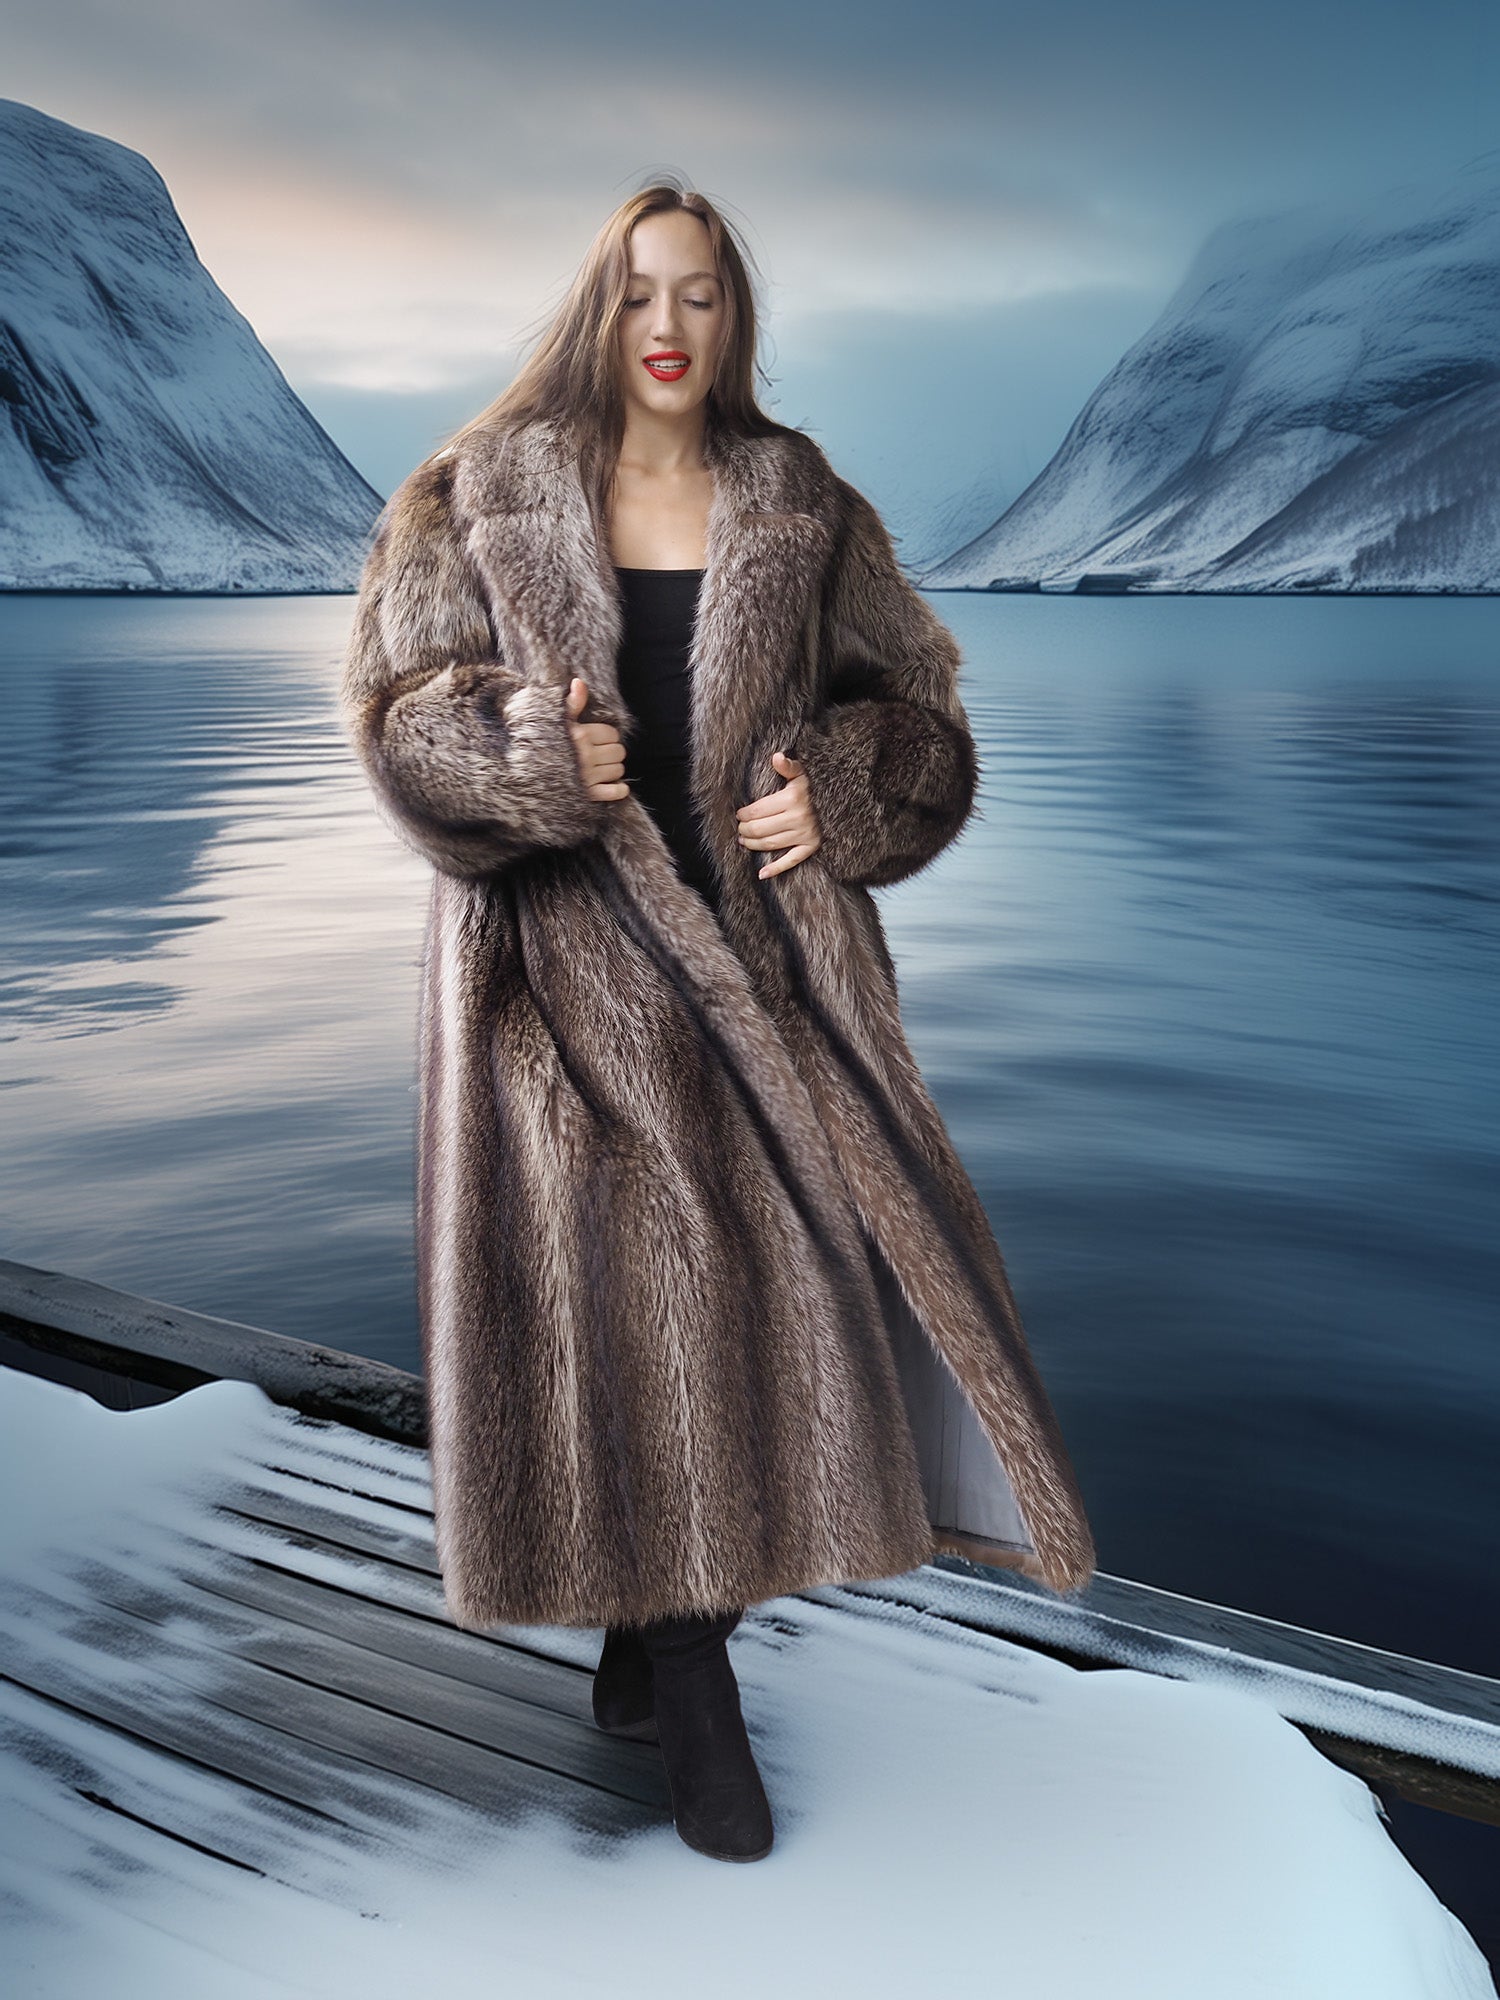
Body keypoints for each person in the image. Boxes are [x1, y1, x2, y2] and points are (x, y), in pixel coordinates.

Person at [339, 178, 1096, 1866]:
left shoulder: (801, 502)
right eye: (638, 296)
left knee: (788, 1302)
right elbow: (393, 725)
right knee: (651, 1298)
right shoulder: (478, 497)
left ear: (736, 318)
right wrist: (519, 748)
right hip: (563, 984)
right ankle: (696, 1703)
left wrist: (845, 794)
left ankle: (650, 1630)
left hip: (776, 982)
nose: (670, 330)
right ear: (594, 312)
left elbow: (924, 722)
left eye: (701, 297)